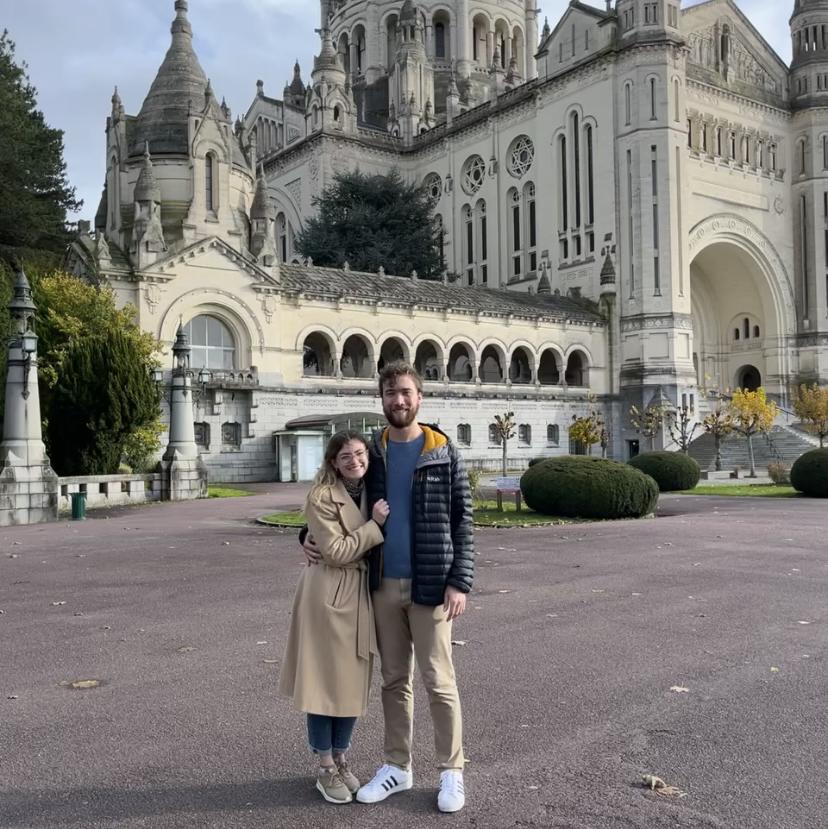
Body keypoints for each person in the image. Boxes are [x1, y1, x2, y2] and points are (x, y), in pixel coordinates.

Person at [303, 362, 474, 813]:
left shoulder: (444, 451)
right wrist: (304, 536)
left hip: (433, 585)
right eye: (389, 394)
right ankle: (398, 765)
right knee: (394, 681)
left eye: (405, 392)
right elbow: (337, 496)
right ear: (381, 400)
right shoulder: (373, 454)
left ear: (419, 396)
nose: (398, 401)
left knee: (439, 682)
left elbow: (464, 520)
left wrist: (460, 580)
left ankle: (451, 772)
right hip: (380, 586)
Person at [280, 430, 390, 804]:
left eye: (360, 454)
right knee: (323, 683)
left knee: (352, 683)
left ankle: (342, 757)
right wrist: (374, 526)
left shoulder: (374, 485)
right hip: (328, 595)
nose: (355, 461)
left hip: (359, 596)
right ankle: (326, 766)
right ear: (332, 463)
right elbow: (338, 551)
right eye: (345, 457)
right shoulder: (322, 495)